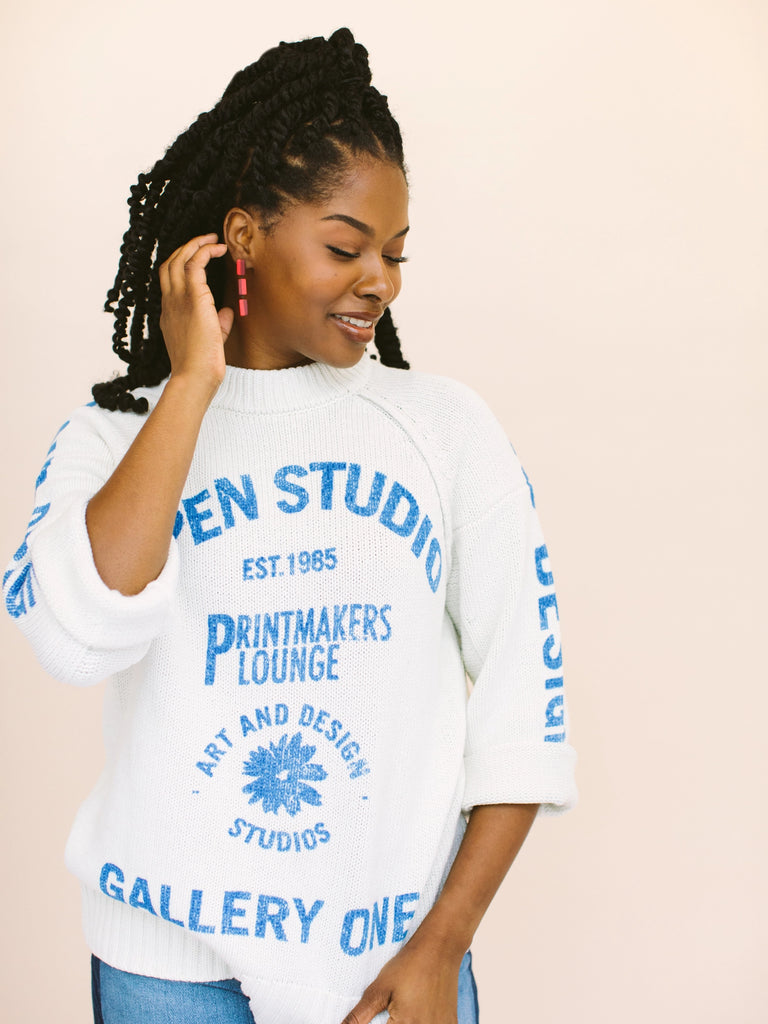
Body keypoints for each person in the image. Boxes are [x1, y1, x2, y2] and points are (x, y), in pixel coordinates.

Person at [3, 27, 576, 1024]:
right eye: (346, 247)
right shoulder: (114, 435)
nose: (380, 281)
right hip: (163, 968)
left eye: (393, 255)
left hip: (391, 958)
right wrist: (192, 385)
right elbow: (72, 634)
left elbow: (527, 700)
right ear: (245, 239)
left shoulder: (442, 428)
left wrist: (446, 942)